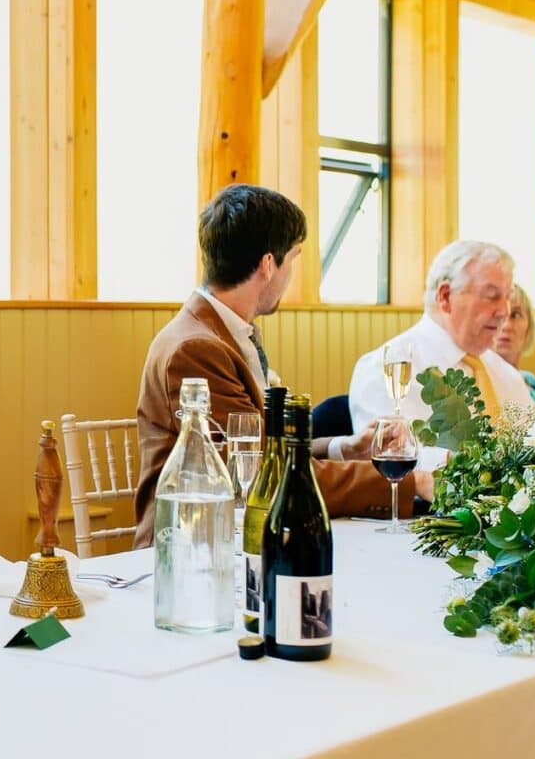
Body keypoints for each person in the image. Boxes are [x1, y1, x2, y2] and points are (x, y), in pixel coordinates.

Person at [133, 185, 428, 548]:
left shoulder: (223, 332)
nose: (291, 275)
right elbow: (260, 475)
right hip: (193, 550)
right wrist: (410, 483)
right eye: (294, 259)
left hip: (239, 537)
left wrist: (343, 448)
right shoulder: (197, 349)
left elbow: (262, 451)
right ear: (269, 264)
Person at [349, 240, 532, 470]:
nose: (504, 311)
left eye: (508, 297)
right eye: (492, 296)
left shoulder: (506, 375)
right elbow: (392, 461)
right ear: (445, 297)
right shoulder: (385, 370)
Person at [494, 284, 535, 409]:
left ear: (529, 326)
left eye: (515, 315)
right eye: (500, 315)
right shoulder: (480, 385)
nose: (507, 325)